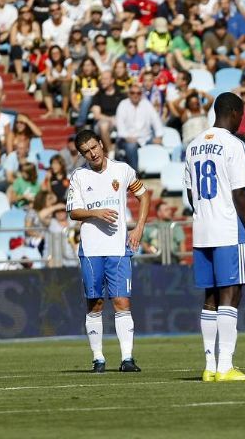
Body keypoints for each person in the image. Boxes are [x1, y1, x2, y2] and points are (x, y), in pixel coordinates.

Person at [184, 92, 245, 382]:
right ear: (235, 112)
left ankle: (209, 367)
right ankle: (226, 366)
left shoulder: (193, 146)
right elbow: (240, 192)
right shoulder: (233, 144)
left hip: (202, 229)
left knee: (210, 297)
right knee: (231, 293)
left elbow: (192, 192)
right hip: (228, 228)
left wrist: (205, 211)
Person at [67, 129, 150, 373]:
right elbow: (73, 212)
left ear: (102, 144)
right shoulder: (79, 177)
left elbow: (143, 195)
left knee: (122, 301)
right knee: (95, 304)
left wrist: (139, 228)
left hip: (118, 247)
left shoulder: (122, 170)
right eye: (86, 152)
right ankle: (98, 358)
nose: (92, 154)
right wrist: (95, 213)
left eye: (94, 147)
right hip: (92, 250)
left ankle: (127, 358)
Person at [115, 82, 164, 170]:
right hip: (128, 139)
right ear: (129, 94)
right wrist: (127, 137)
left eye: (138, 93)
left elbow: (156, 120)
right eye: (133, 93)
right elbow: (120, 124)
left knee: (160, 143)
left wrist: (159, 136)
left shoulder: (146, 104)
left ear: (141, 94)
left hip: (146, 138)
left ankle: (157, 171)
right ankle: (135, 174)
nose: (135, 95)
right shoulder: (123, 104)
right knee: (131, 146)